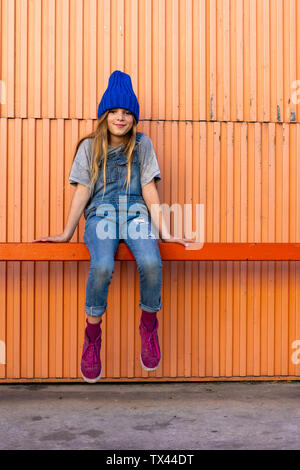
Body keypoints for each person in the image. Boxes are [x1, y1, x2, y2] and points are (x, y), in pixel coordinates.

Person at [33, 70, 196, 383]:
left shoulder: (142, 145)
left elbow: (149, 189)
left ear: (133, 118)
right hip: (101, 215)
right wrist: (67, 232)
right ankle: (92, 336)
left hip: (136, 214)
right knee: (103, 265)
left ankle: (149, 325)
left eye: (127, 113)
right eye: (114, 112)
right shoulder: (90, 147)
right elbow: (82, 190)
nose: (120, 118)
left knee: (150, 261)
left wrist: (164, 231)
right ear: (104, 115)